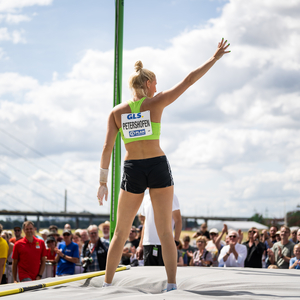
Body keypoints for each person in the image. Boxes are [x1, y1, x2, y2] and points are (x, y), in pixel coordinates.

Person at [97, 38, 230, 291]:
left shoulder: (117, 112)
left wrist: (103, 182)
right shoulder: (156, 103)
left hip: (133, 168)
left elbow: (107, 148)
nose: (158, 87)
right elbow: (189, 80)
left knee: (120, 232)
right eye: (156, 83)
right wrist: (214, 59)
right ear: (147, 84)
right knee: (165, 232)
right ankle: (171, 285)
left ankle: (107, 283)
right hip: (157, 166)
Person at [136, 193, 182, 267]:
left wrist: (176, 242)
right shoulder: (145, 198)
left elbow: (178, 220)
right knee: (149, 274)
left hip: (165, 244)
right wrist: (140, 246)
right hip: (148, 244)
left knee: (164, 275)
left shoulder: (171, 196)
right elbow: (145, 223)